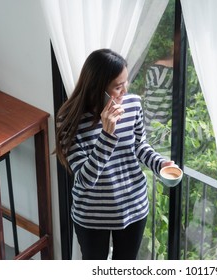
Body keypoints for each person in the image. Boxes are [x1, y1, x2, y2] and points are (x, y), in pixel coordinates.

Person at [55, 48, 175, 260]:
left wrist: (160, 164)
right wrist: (107, 135)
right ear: (97, 88)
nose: (125, 91)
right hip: (91, 216)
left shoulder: (133, 104)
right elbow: (85, 179)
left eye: (126, 83)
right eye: (118, 87)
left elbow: (140, 146)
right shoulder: (69, 121)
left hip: (133, 207)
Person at [143, 49, 173, 155]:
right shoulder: (159, 72)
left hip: (155, 132)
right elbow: (153, 108)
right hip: (157, 135)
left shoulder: (156, 71)